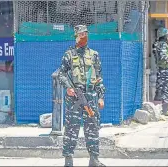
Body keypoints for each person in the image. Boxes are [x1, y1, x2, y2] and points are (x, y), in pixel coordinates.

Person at [58, 25, 106, 166]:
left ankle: (94, 159)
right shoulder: (69, 54)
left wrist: (101, 96)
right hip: (74, 97)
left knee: (93, 127)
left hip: (91, 96)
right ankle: (68, 159)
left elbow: (98, 77)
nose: (83, 36)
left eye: (85, 33)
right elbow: (61, 74)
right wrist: (68, 88)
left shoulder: (94, 55)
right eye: (81, 34)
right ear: (76, 36)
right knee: (71, 128)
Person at [153, 27, 168, 116]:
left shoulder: (163, 44)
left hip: (166, 71)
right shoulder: (162, 45)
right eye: (167, 35)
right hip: (164, 71)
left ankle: (165, 110)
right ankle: (164, 111)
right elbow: (164, 58)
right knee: (164, 90)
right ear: (163, 35)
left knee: (165, 89)